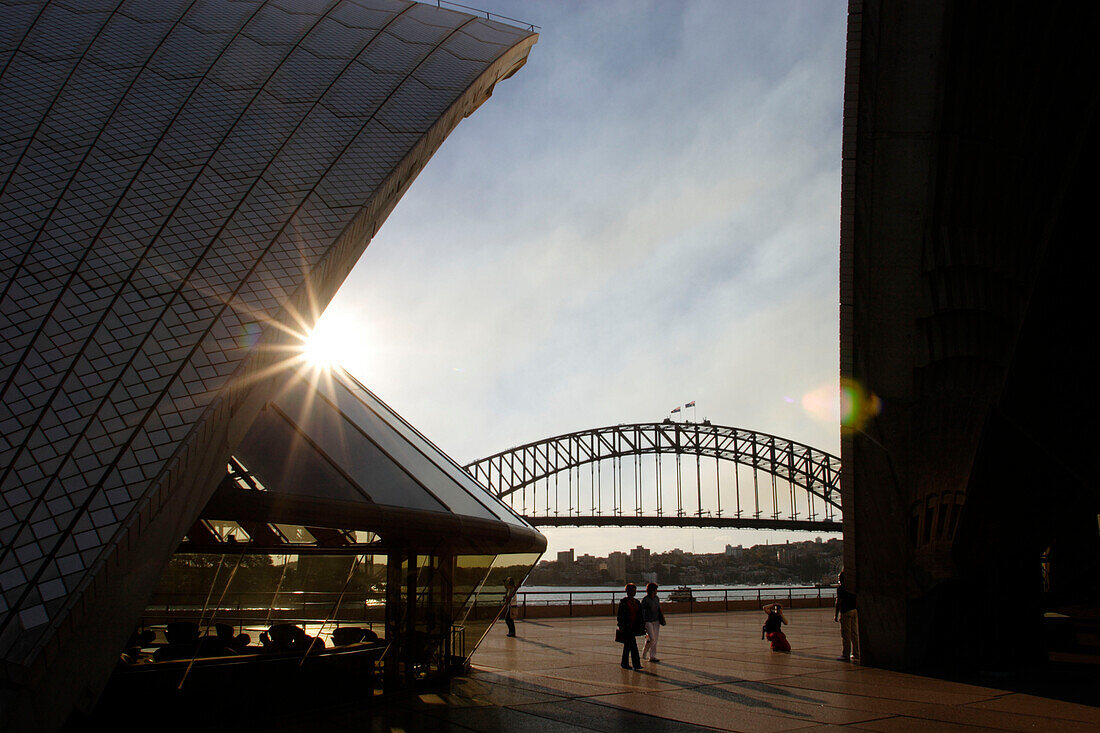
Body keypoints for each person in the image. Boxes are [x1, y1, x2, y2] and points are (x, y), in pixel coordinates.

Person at [617, 582, 645, 670]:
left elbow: (640, 615)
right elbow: (620, 616)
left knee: (628, 646)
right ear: (627, 592)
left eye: (634, 590)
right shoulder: (624, 602)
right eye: (632, 590)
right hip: (627, 627)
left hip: (634, 626)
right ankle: (636, 664)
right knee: (633, 645)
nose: (634, 592)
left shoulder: (636, 602)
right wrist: (621, 626)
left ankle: (625, 663)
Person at [834, 570, 860, 661]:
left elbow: (839, 602)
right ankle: (856, 653)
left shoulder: (841, 589)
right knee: (854, 633)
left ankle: (846, 654)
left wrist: (836, 614)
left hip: (846, 611)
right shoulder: (853, 587)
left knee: (846, 634)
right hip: (854, 610)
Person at [640, 582, 665, 663]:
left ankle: (652, 656)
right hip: (648, 621)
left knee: (655, 639)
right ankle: (645, 650)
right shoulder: (645, 600)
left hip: (656, 620)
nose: (656, 591)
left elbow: (658, 609)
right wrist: (642, 622)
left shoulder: (656, 598)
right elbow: (642, 611)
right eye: (655, 590)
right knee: (652, 638)